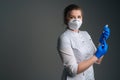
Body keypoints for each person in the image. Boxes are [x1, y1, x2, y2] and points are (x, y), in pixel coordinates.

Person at [57, 4, 110, 80]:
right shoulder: (64, 38)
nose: (76, 20)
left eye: (79, 17)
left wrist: (102, 42)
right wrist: (96, 56)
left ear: (82, 18)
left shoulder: (85, 34)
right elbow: (73, 70)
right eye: (72, 17)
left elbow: (98, 60)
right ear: (66, 19)